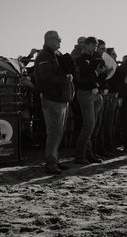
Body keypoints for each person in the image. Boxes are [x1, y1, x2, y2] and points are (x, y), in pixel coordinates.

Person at [34, 30, 74, 174]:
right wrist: (66, 79)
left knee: (58, 132)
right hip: (52, 99)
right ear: (49, 40)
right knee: (54, 132)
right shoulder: (44, 55)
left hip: (59, 98)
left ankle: (54, 160)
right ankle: (51, 163)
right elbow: (46, 78)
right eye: (58, 39)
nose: (60, 41)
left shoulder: (53, 55)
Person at [75, 36, 106, 165]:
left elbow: (99, 74)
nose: (95, 47)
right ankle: (80, 155)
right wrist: (96, 71)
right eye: (93, 45)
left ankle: (88, 153)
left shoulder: (93, 58)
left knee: (93, 126)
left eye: (96, 45)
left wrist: (99, 73)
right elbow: (83, 74)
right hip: (85, 93)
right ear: (87, 45)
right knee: (89, 126)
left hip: (94, 93)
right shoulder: (82, 58)